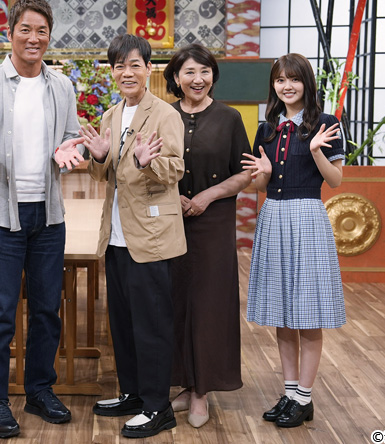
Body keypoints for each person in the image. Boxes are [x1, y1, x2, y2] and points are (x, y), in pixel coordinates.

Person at [0, 0, 85, 439]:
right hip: (2, 217)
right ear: (10, 33)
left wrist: (71, 150)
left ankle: (39, 389)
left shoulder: (61, 86)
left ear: (49, 36)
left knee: (47, 309)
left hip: (49, 215)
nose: (34, 38)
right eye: (26, 29)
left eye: (42, 31)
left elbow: (71, 136)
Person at [80, 34, 186, 439]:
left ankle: (158, 406)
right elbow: (102, 174)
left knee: (151, 324)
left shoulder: (165, 114)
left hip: (151, 236)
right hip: (116, 236)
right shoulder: (111, 115)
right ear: (113, 72)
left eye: (134, 65)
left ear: (148, 69)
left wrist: (148, 162)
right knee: (122, 323)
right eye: (119, 66)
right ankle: (133, 393)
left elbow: (175, 169)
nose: (127, 72)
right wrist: (98, 156)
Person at [241, 53, 346, 428]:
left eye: (294, 79)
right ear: (273, 85)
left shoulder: (327, 123)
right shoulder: (266, 128)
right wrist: (263, 172)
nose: (287, 86)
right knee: (282, 315)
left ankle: (304, 397)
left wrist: (316, 150)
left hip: (307, 217)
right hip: (273, 214)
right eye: (280, 80)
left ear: (307, 83)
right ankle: (290, 394)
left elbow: (335, 180)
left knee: (307, 313)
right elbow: (259, 185)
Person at [162, 44, 251, 428]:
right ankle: (184, 383)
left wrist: (207, 196)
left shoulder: (229, 118)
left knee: (209, 304)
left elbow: (245, 173)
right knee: (176, 301)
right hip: (170, 220)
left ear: (213, 75)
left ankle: (202, 391)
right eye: (189, 72)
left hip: (213, 221)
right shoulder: (163, 115)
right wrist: (173, 195)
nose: (197, 79)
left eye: (204, 71)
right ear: (175, 78)